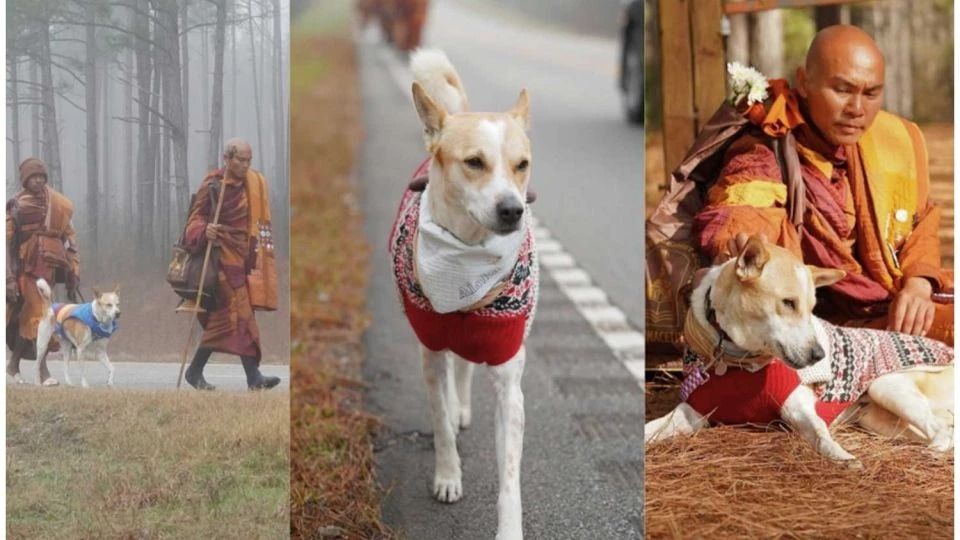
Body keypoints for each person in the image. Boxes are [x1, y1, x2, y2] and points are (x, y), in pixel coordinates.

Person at [694, 25, 952, 345]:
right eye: (842, 90)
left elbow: (920, 225)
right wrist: (739, 244)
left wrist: (919, 285)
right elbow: (745, 215)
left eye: (871, 93)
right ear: (804, 82)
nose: (857, 109)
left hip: (892, 299)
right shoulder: (765, 152)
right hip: (814, 322)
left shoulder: (894, 139)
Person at [181, 139, 280, 391]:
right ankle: (253, 377)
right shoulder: (212, 185)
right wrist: (206, 230)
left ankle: (196, 371)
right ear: (227, 158)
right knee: (239, 313)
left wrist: (261, 256)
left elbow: (259, 223)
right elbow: (192, 223)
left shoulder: (253, 185)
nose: (245, 165)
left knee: (231, 318)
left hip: (244, 259)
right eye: (241, 160)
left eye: (249, 160)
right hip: (220, 260)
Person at [6, 157, 80, 385]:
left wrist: (74, 270)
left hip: (49, 269)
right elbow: (6, 241)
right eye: (33, 177)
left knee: (28, 317)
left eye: (41, 177)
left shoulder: (59, 205)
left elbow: (70, 240)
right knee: (42, 315)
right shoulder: (16, 205)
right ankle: (42, 373)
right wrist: (8, 277)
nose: (38, 181)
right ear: (25, 181)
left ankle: (13, 365)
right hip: (25, 270)